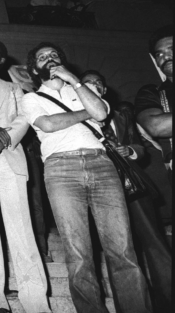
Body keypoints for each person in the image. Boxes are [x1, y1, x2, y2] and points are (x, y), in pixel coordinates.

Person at [20, 42, 151, 313]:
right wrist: (85, 113)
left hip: (101, 164)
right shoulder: (31, 98)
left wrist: (75, 82)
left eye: (54, 55)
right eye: (43, 57)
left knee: (123, 249)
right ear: (35, 69)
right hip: (61, 170)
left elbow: (102, 113)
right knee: (78, 253)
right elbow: (48, 124)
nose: (50, 59)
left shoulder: (84, 89)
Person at [81, 70, 172, 311]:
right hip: (100, 187)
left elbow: (140, 147)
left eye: (99, 82)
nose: (94, 85)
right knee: (118, 249)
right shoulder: (76, 117)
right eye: (88, 83)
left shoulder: (121, 115)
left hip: (133, 184)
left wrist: (129, 151)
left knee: (155, 244)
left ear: (105, 90)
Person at [0, 39, 50, 313]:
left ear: (2, 60)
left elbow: (24, 116)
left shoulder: (15, 88)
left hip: (10, 158)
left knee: (21, 229)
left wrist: (5, 136)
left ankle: (36, 302)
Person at [135, 26, 172, 172]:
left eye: (172, 49)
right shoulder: (152, 92)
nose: (166, 57)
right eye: (159, 54)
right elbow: (157, 127)